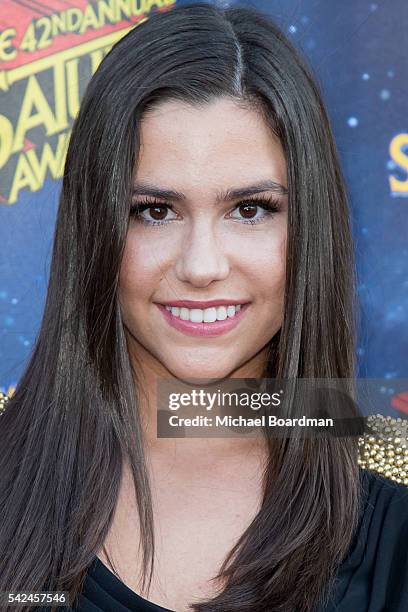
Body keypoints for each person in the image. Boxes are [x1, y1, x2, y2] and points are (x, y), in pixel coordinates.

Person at [0, 3, 407, 611]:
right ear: (95, 226)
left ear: (312, 226)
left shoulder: (394, 495)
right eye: (154, 211)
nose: (202, 265)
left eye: (250, 209)